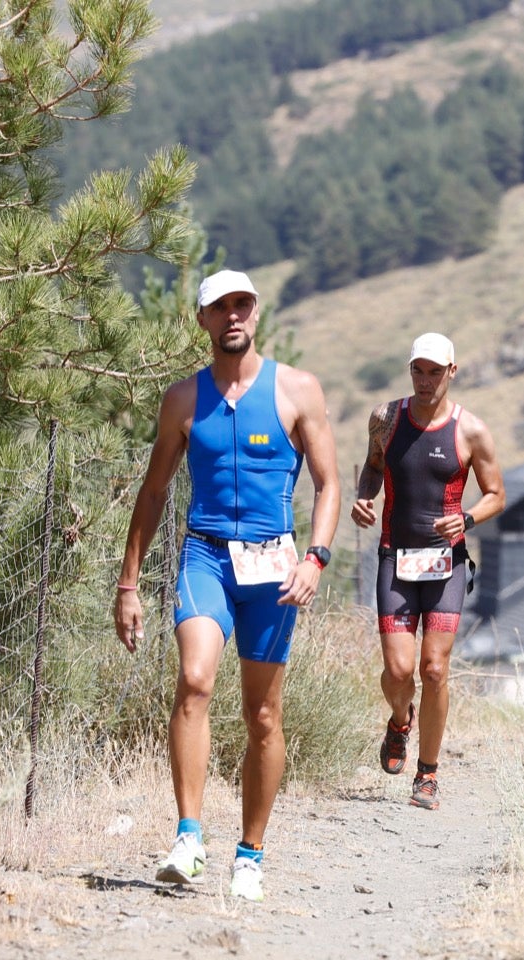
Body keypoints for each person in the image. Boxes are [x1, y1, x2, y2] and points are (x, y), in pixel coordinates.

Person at [114, 268, 340, 902]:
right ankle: (188, 837)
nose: (234, 315)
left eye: (243, 304)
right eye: (221, 307)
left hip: (274, 567)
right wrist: (129, 582)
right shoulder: (182, 400)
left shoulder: (298, 389)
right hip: (205, 556)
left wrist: (315, 559)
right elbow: (154, 489)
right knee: (194, 680)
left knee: (263, 714)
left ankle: (251, 854)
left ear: (257, 313)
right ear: (203, 319)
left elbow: (329, 485)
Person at [350, 332, 505, 811]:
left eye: (435, 371)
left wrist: (469, 518)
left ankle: (428, 773)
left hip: (446, 563)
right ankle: (400, 722)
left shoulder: (471, 431)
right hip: (395, 557)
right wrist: (364, 496)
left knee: (434, 669)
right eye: (418, 370)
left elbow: (497, 494)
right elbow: (374, 466)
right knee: (398, 670)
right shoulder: (386, 418)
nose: (425, 380)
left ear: (452, 372)